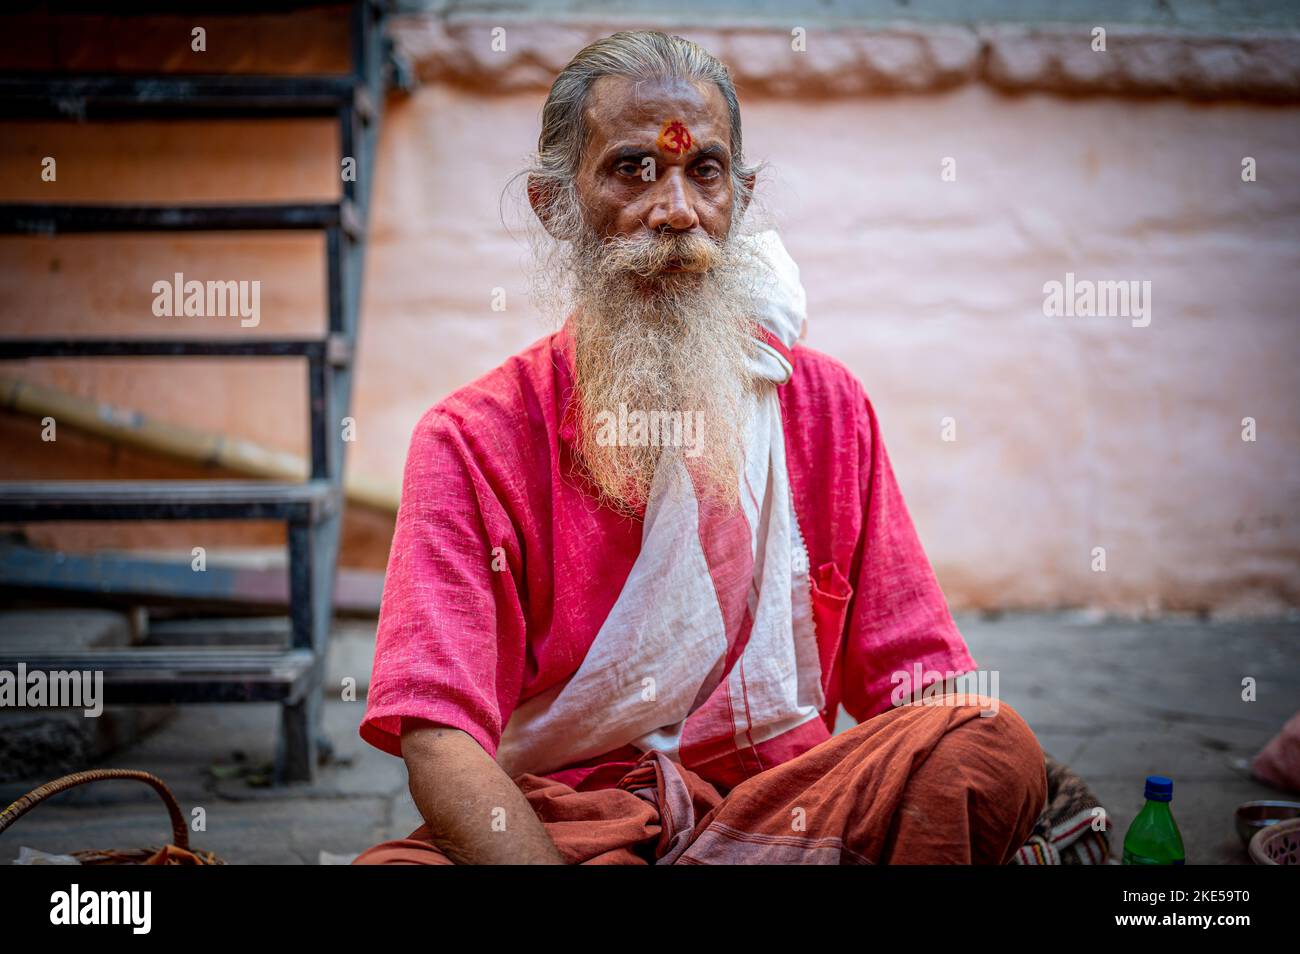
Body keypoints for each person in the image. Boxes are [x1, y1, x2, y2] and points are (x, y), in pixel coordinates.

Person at [353, 30, 1046, 864]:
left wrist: (983, 780)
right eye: (632, 169)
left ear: (740, 199)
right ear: (555, 204)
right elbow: (438, 734)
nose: (676, 210)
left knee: (984, 740)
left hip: (785, 812)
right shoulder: (473, 439)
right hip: (577, 826)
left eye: (703, 171)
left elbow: (919, 681)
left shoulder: (824, 407)